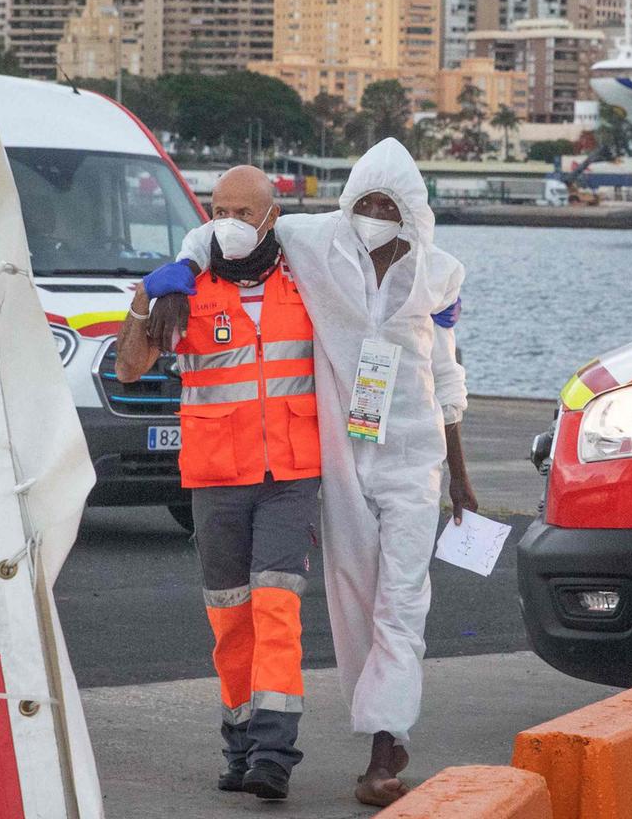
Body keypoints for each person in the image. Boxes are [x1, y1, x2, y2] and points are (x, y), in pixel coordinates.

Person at [153, 139, 474, 807]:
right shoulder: (314, 246)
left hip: (415, 460)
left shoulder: (440, 275)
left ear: (413, 209)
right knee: (355, 595)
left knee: (403, 599)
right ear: (348, 201)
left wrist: (463, 474)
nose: (377, 213)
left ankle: (386, 746)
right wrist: (180, 269)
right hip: (342, 458)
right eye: (366, 201)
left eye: (390, 204)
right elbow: (227, 223)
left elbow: (446, 370)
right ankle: (377, 726)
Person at [115, 166, 320, 801]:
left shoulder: (307, 280)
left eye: (242, 210)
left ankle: (274, 751)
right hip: (217, 477)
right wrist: (146, 298)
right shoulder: (188, 289)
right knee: (231, 619)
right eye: (218, 208)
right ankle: (238, 742)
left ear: (272, 217)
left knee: (277, 607)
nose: (228, 220)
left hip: (289, 474)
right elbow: (128, 369)